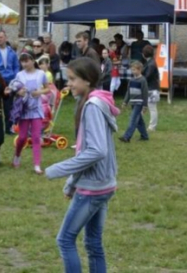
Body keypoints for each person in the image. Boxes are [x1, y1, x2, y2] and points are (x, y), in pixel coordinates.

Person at [45, 58, 119, 273]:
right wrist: (72, 183)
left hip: (94, 188)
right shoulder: (93, 102)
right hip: (102, 184)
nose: (69, 84)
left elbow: (97, 151)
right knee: (93, 244)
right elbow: (88, 150)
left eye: (72, 79)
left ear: (87, 81)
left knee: (65, 240)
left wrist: (59, 169)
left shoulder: (93, 106)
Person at [11, 51, 49, 174]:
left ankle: (37, 165)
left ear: (33, 61)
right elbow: (15, 89)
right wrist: (19, 92)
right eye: (22, 61)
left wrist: (39, 92)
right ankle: (17, 155)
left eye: (27, 61)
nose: (25, 64)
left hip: (36, 110)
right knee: (22, 137)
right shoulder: (19, 75)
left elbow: (47, 88)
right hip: (24, 110)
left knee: (36, 137)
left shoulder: (41, 74)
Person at [0, 30, 21, 135]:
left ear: (6, 38)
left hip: (10, 81)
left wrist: (15, 78)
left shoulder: (12, 52)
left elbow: (16, 66)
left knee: (9, 106)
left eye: (1, 37)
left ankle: (8, 128)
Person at [119, 61, 149, 143]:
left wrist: (145, 105)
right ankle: (145, 136)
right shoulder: (131, 80)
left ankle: (127, 136)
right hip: (133, 102)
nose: (133, 71)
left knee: (133, 119)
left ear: (139, 70)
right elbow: (128, 92)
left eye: (134, 69)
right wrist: (125, 102)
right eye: (132, 70)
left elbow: (145, 93)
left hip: (139, 103)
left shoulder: (143, 80)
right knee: (139, 121)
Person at [142, 45, 161, 132]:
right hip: (151, 88)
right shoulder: (150, 62)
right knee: (147, 107)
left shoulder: (151, 64)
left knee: (152, 108)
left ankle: (152, 126)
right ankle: (142, 123)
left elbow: (147, 76)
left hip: (151, 88)